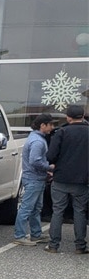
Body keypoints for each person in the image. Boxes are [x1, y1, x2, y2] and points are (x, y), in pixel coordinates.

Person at [44, 103, 89, 254]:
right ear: (83, 116)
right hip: (82, 180)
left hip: (61, 178)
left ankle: (53, 245)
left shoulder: (61, 132)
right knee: (80, 211)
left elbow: (50, 156)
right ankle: (80, 246)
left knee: (58, 211)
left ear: (68, 117)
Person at [12, 113, 56, 245]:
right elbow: (35, 160)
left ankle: (36, 234)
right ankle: (19, 235)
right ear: (43, 125)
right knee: (27, 207)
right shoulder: (38, 141)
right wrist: (49, 167)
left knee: (36, 207)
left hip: (34, 177)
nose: (52, 128)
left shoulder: (34, 138)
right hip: (34, 178)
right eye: (50, 125)